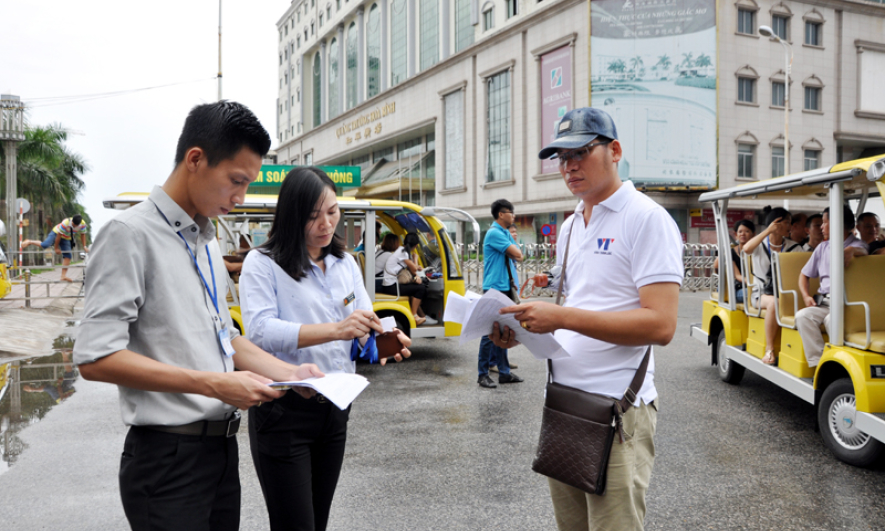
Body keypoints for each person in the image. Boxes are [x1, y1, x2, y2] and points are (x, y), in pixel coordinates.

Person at [72, 101, 324, 531]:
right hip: (166, 459)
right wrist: (215, 384)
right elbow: (95, 358)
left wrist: (290, 372)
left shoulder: (206, 242)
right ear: (195, 159)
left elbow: (225, 336)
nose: (240, 197)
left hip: (221, 453)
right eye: (236, 181)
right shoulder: (129, 235)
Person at [491, 107, 682, 531]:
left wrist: (560, 316)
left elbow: (661, 326)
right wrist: (523, 332)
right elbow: (581, 307)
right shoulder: (573, 224)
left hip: (617, 409)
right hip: (565, 405)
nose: (569, 166)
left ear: (614, 151)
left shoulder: (646, 218)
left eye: (581, 151)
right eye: (561, 157)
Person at [239, 167, 411, 531]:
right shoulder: (263, 263)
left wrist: (385, 339)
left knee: (318, 520)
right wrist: (336, 330)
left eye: (332, 211)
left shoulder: (345, 263)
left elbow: (363, 319)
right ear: (291, 215)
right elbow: (259, 331)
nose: (325, 223)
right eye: (313, 216)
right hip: (284, 410)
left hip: (335, 409)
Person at [796, 205, 868, 367]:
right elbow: (804, 275)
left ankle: (841, 363)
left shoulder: (858, 244)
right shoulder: (823, 247)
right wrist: (806, 296)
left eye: (824, 222)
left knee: (832, 320)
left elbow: (863, 251)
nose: (821, 227)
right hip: (825, 303)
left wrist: (850, 250)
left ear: (836, 223)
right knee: (803, 316)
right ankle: (819, 363)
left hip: (849, 305)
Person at [741, 207, 801, 365]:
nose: (790, 227)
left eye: (790, 222)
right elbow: (746, 249)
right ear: (776, 224)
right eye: (787, 222)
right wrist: (767, 231)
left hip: (787, 294)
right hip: (760, 294)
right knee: (774, 302)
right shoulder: (759, 246)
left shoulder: (794, 247)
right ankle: (769, 349)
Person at [477, 199, 524, 388]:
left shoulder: (504, 232)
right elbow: (518, 254)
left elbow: (519, 256)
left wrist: (514, 250)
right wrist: (513, 250)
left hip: (504, 286)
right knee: (489, 331)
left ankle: (504, 373)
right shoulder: (495, 233)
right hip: (494, 287)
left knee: (504, 329)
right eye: (510, 212)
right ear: (501, 214)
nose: (513, 215)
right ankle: (482, 374)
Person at [380, 232, 433, 325]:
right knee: (421, 288)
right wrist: (415, 258)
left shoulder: (402, 250)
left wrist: (415, 269)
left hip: (391, 284)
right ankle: (414, 316)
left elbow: (412, 269)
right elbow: (413, 270)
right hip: (391, 287)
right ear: (416, 246)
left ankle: (420, 315)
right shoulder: (403, 253)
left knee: (418, 287)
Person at [21, 215, 90, 282]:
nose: (74, 226)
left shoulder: (83, 224)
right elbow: (58, 236)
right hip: (56, 233)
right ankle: (30, 241)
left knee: (68, 256)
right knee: (45, 245)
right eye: (73, 224)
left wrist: (84, 246)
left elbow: (83, 234)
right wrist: (56, 248)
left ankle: (63, 276)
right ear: (72, 221)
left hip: (66, 237)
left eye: (76, 226)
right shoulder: (66, 223)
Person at [712, 219, 755, 303]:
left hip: (752, 286)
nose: (743, 234)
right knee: (756, 293)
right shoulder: (731, 252)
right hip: (736, 288)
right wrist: (755, 282)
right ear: (736, 234)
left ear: (753, 234)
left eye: (747, 231)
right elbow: (738, 276)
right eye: (740, 231)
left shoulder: (757, 251)